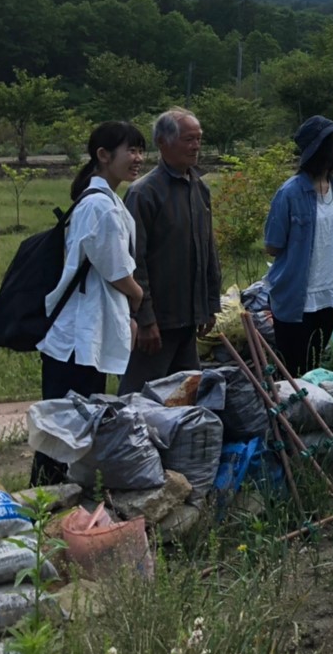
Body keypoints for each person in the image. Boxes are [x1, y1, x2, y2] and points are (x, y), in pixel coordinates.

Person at [33, 121, 147, 484]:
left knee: (69, 421)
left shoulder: (100, 200)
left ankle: (55, 493)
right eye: (130, 150)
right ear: (103, 155)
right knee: (65, 425)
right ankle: (47, 497)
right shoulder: (101, 206)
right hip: (78, 338)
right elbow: (115, 271)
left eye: (140, 150)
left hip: (82, 332)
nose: (138, 158)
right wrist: (138, 294)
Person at [121, 107, 221, 395]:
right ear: (163, 143)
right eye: (189, 139)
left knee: (186, 395)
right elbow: (134, 261)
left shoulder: (199, 188)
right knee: (139, 397)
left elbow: (207, 251)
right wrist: (146, 318)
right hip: (159, 321)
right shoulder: (144, 193)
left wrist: (209, 304)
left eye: (199, 139)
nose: (196, 146)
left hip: (189, 317)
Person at [263, 116, 333, 375]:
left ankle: (310, 415)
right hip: (298, 297)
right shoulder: (290, 193)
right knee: (294, 370)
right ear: (318, 148)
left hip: (330, 292)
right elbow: (273, 245)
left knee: (313, 368)